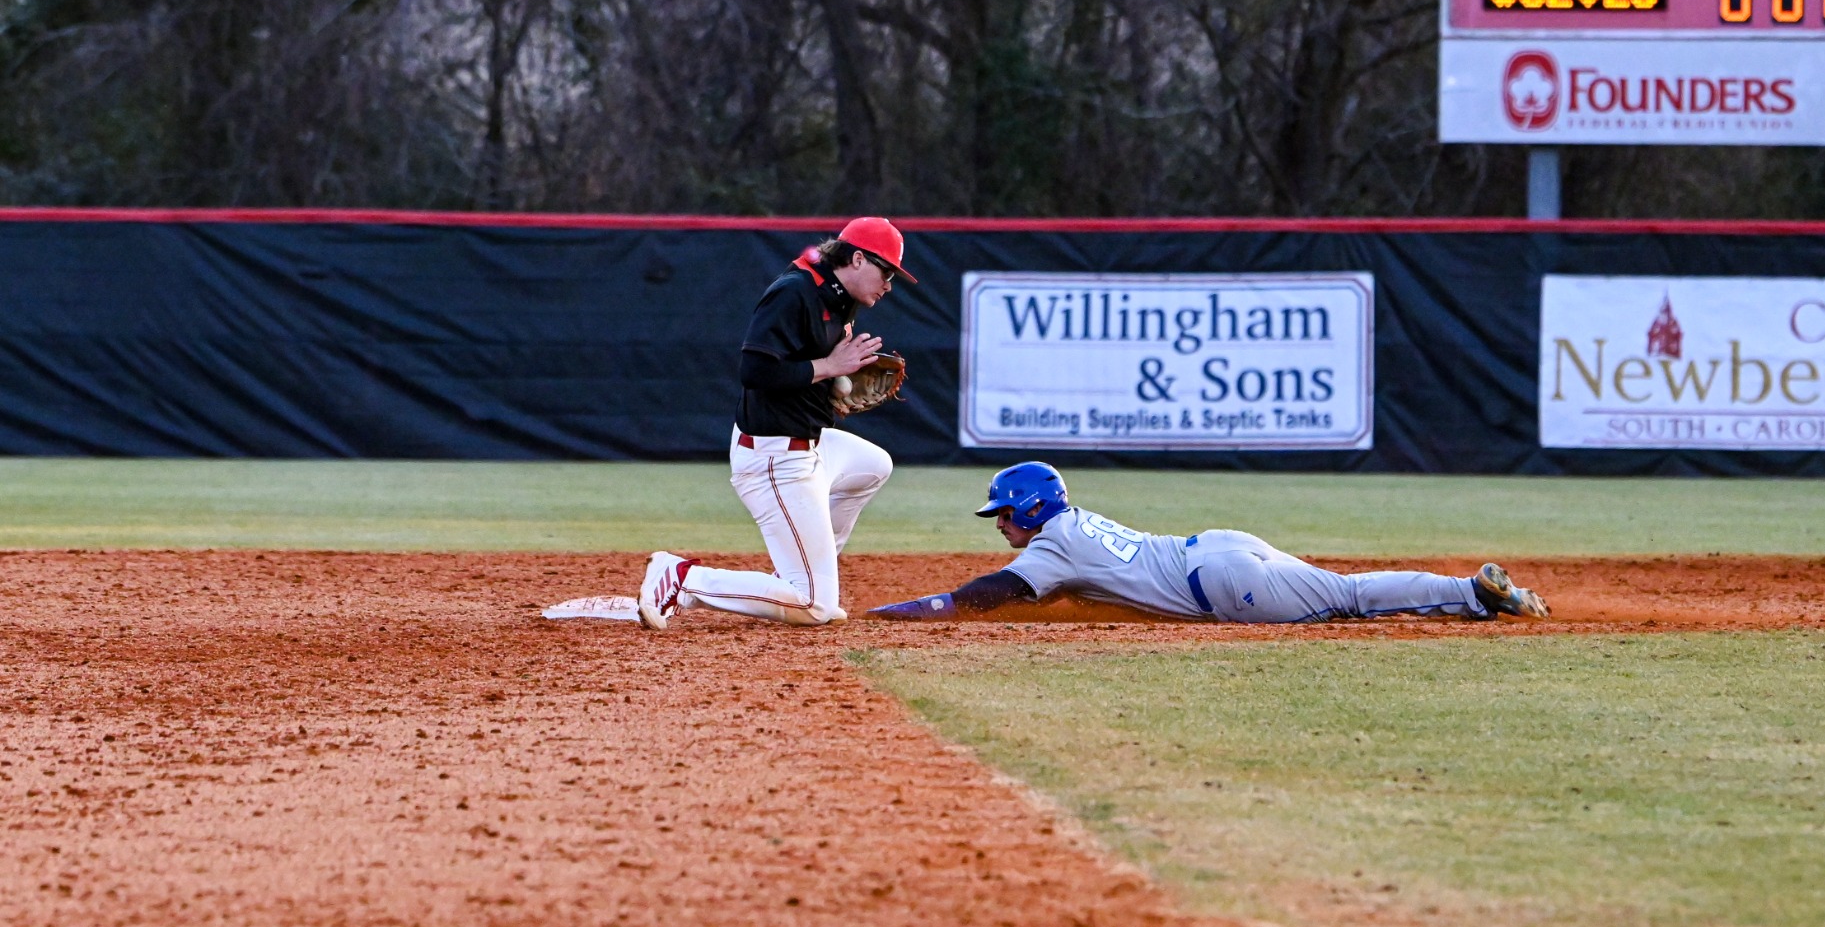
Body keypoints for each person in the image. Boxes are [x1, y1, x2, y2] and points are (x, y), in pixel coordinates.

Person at [638, 217, 915, 628]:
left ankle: (798, 576)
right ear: (857, 259)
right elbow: (754, 372)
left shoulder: (838, 293)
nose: (890, 283)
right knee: (816, 608)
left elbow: (811, 362)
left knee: (874, 466)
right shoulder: (795, 293)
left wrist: (831, 385)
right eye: (886, 271)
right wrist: (828, 367)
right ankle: (684, 579)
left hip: (810, 443)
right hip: (774, 458)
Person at [866, 462, 1550, 624]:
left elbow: (986, 593)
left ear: (1034, 508)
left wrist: (917, 611)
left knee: (1350, 600)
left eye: (1003, 514)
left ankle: (1475, 597)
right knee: (1346, 587)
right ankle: (1480, 591)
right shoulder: (1073, 527)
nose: (999, 526)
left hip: (1223, 585)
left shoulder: (1050, 548)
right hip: (1220, 546)